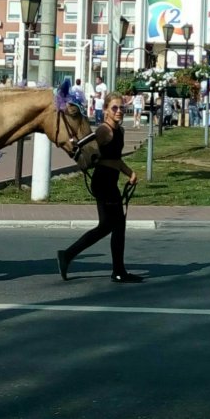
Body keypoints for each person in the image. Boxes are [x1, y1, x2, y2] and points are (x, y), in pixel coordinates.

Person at [57, 92, 142, 284]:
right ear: (105, 111)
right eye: (114, 108)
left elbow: (116, 159)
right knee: (117, 225)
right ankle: (118, 271)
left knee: (107, 226)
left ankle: (67, 255)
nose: (119, 111)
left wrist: (130, 173)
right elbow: (87, 151)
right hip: (102, 181)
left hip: (111, 181)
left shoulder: (120, 131)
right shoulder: (104, 131)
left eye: (122, 108)